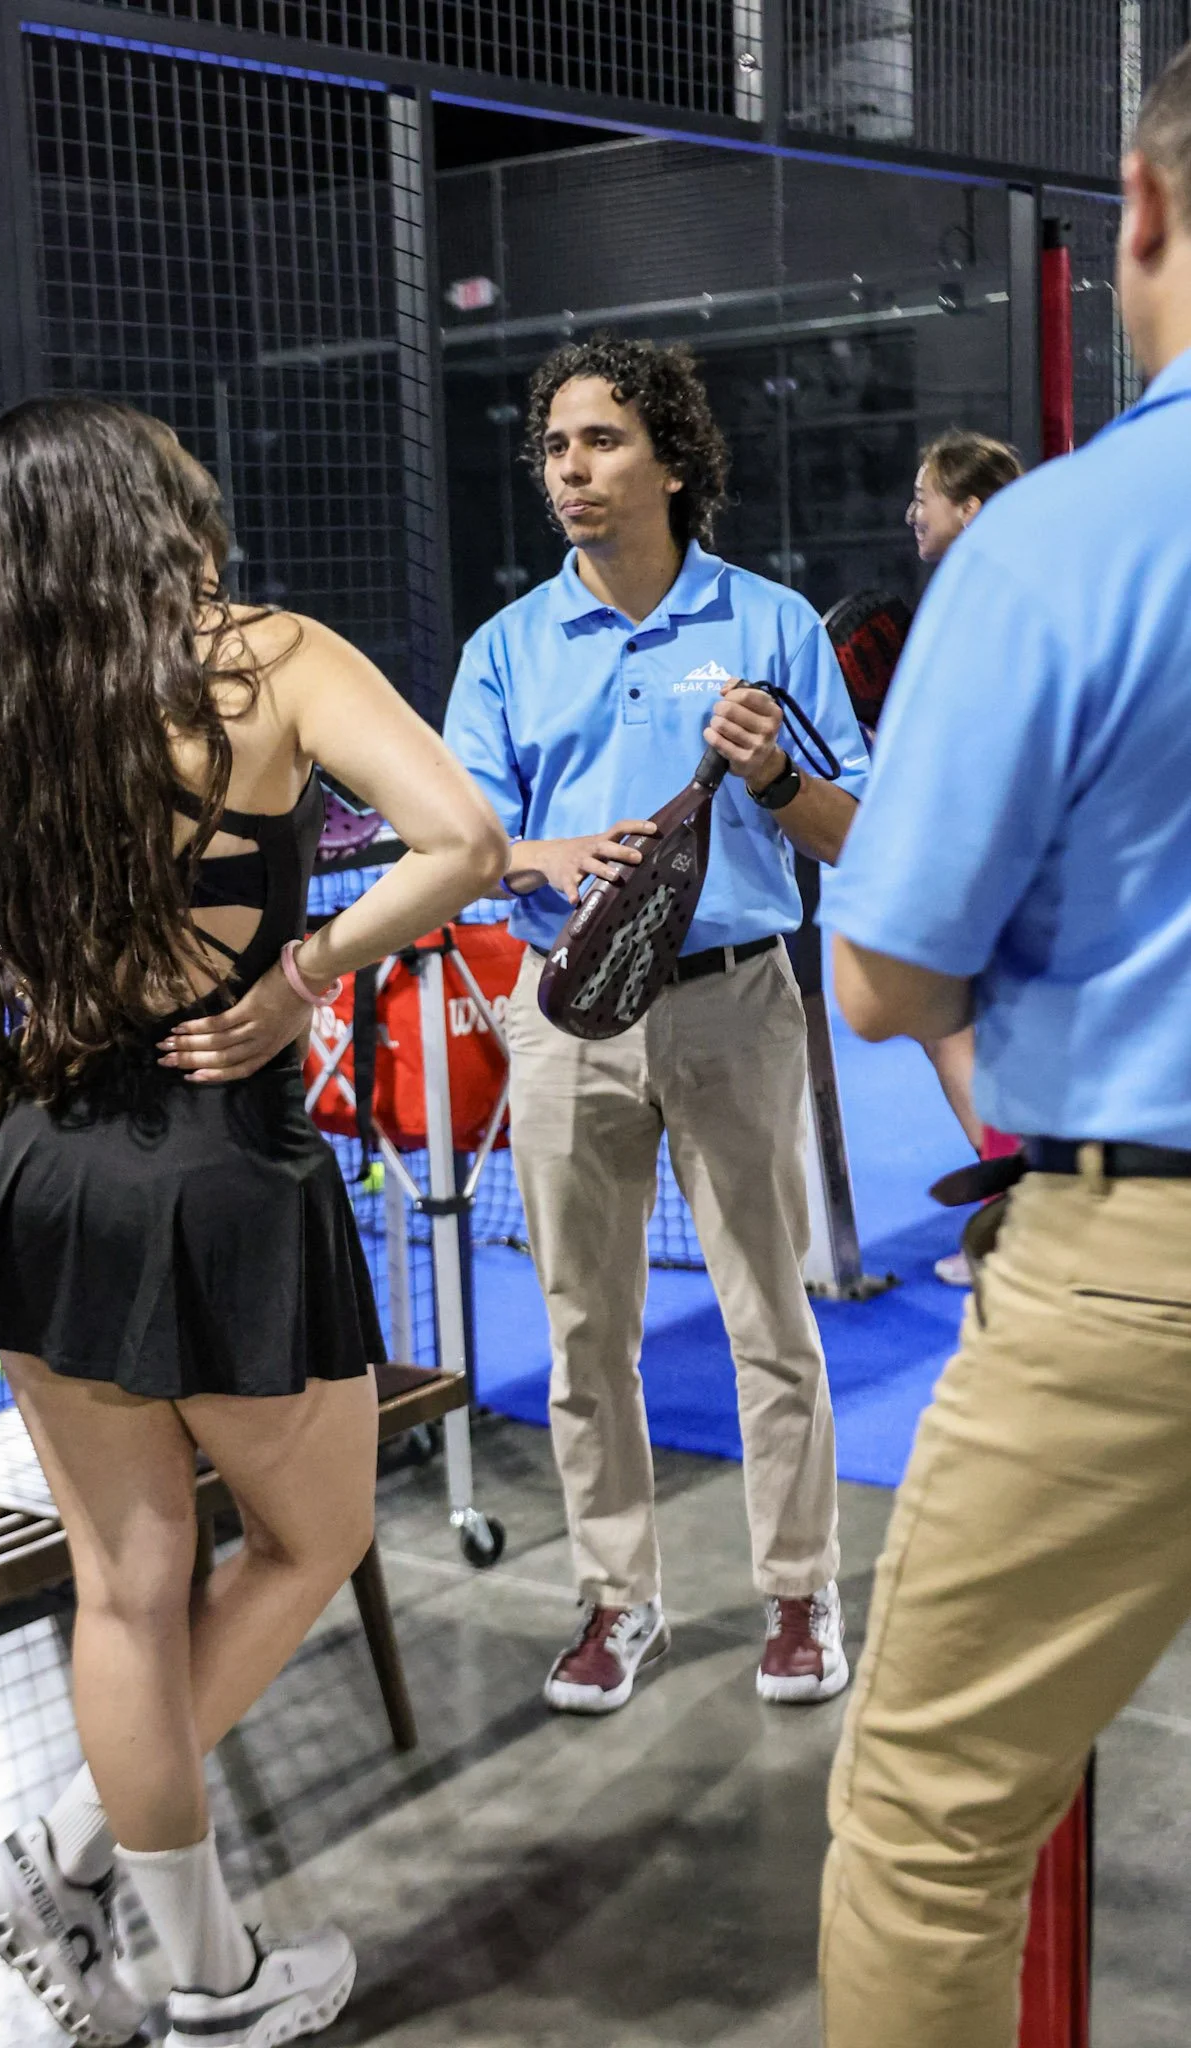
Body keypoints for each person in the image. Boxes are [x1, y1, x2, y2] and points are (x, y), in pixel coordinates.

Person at [0, 397, 507, 2048]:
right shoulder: (274, 659)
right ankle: (144, 1922)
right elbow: (461, 838)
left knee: (126, 1581)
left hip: (33, 1156)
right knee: (313, 1539)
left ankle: (177, 1943)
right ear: (156, 511)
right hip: (214, 1155)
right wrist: (303, 971)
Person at [816, 39, 1191, 2047]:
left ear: (1131, 215)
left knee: (930, 1822)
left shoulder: (1053, 540)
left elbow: (878, 969)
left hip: (1136, 1276)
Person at [443, 336, 871, 1717]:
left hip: (732, 1002)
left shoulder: (768, 627)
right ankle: (613, 1603)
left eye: (601, 441)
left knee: (768, 1319)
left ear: (671, 462)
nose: (570, 469)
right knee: (582, 1329)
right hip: (561, 1018)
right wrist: (551, 854)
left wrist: (768, 772)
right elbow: (462, 844)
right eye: (555, 447)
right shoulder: (504, 650)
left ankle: (798, 1595)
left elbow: (853, 833)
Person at [904, 430, 1025, 1285]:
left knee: (952, 1031)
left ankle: (1015, 1222)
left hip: (988, 868)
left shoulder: (980, 606)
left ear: (969, 508)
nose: (912, 512)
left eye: (925, 497)